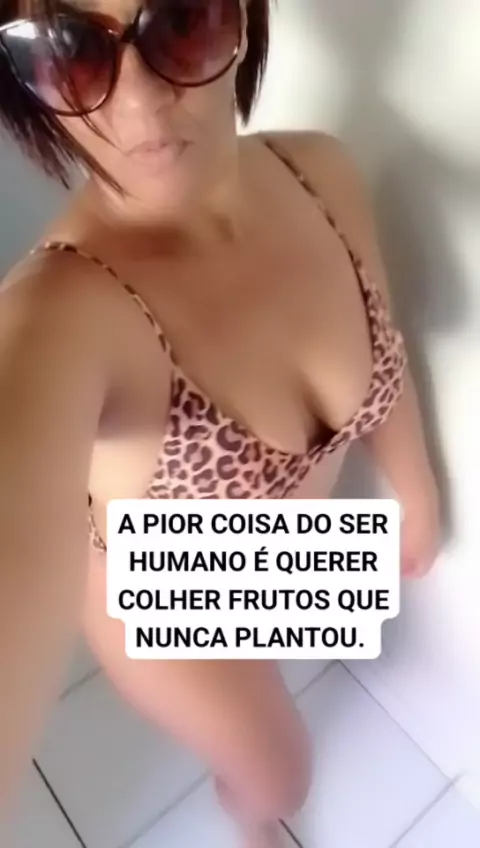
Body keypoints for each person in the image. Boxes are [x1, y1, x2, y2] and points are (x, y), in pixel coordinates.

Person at [0, 0, 441, 843]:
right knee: (280, 776)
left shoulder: (323, 171)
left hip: (276, 559)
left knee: (283, 661)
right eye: (69, 52)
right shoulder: (65, 311)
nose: (139, 102)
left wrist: (413, 486)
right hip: (161, 599)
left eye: (181, 20)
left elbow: (385, 343)